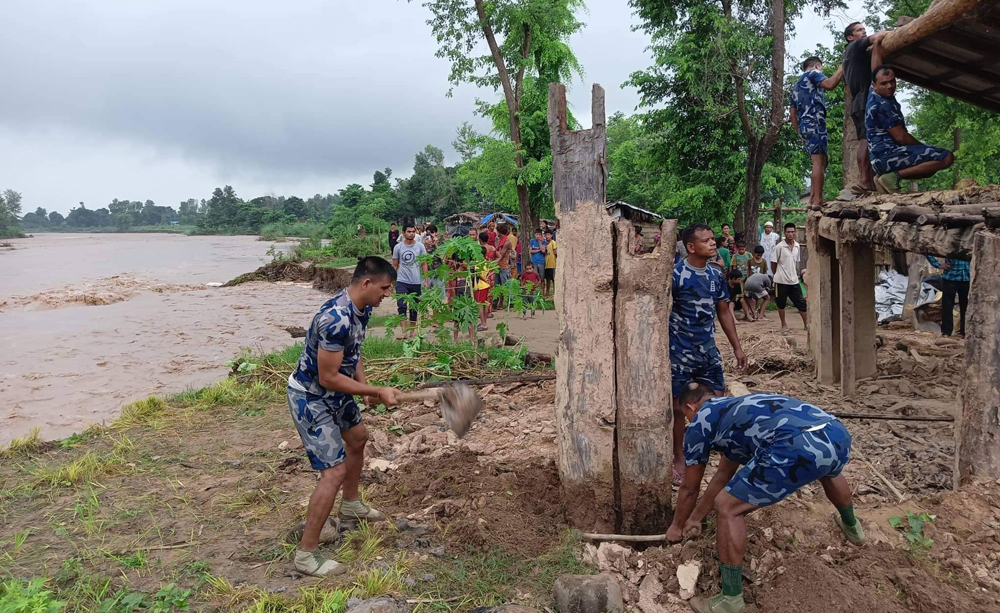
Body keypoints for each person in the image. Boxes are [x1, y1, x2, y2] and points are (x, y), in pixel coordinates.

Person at [667, 385, 864, 613]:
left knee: (727, 507)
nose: (688, 420)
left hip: (794, 445)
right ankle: (853, 529)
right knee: (826, 467)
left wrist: (677, 526)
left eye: (686, 415)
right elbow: (723, 476)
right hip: (835, 432)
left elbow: (690, 488)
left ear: (691, 407)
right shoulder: (735, 410)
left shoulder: (701, 421)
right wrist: (695, 518)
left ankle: (730, 601)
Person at [287, 257, 404, 577]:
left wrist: (365, 387)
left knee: (358, 438)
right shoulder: (334, 318)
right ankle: (307, 554)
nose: (387, 294)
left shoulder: (361, 309)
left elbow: (354, 351)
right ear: (366, 283)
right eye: (384, 288)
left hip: (336, 393)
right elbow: (327, 377)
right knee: (333, 471)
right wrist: (378, 390)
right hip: (311, 398)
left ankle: (351, 503)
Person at [670, 223, 747, 485]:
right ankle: (679, 457)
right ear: (691, 247)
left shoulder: (715, 276)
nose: (713, 244)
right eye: (706, 241)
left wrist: (736, 347)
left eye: (714, 239)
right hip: (679, 353)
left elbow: (724, 311)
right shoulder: (675, 275)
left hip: (708, 352)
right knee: (679, 408)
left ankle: (712, 454)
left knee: (718, 402)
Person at [866, 59, 954, 193]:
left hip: (877, 160)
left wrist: (877, 44)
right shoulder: (884, 105)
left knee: (929, 168)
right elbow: (901, 137)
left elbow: (876, 66)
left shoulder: (873, 95)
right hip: (888, 157)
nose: (889, 86)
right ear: (874, 85)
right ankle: (893, 176)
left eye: (892, 81)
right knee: (946, 157)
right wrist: (923, 148)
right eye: (884, 83)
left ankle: (882, 178)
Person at [790, 56, 844, 209]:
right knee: (819, 162)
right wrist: (842, 68)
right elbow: (830, 84)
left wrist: (800, 132)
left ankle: (812, 199)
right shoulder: (814, 73)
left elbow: (792, 115)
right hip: (816, 122)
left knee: (821, 162)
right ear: (817, 65)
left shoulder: (796, 85)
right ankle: (818, 200)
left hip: (804, 126)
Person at [843, 21, 889, 194]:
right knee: (866, 138)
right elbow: (878, 37)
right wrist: (889, 32)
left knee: (868, 137)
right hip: (863, 100)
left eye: (864, 29)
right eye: (859, 30)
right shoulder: (855, 46)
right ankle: (863, 180)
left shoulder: (850, 55)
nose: (863, 31)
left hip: (858, 101)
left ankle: (869, 180)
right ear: (850, 37)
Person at [391, 224, 428, 339]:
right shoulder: (398, 247)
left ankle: (412, 331)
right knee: (401, 305)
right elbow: (395, 265)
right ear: (403, 233)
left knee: (413, 307)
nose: (411, 233)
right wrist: (391, 282)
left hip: (416, 281)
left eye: (413, 231)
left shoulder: (420, 246)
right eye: (409, 231)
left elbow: (424, 263)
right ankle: (404, 331)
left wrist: (426, 280)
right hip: (402, 280)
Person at [772, 222, 807, 333]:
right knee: (781, 303)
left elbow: (796, 262)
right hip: (781, 280)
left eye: (792, 232)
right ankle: (783, 324)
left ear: (795, 232)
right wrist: (777, 274)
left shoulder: (797, 246)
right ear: (785, 233)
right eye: (788, 232)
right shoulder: (779, 247)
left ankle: (807, 324)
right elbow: (773, 263)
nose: (790, 234)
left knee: (801, 302)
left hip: (793, 280)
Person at [926, 255, 970, 337]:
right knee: (947, 306)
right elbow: (926, 249)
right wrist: (937, 264)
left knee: (966, 306)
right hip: (950, 277)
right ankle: (946, 332)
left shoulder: (970, 243)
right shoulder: (951, 242)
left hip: (966, 278)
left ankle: (965, 331)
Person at [544, 229, 557, 297]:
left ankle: (555, 293)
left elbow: (555, 252)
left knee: (553, 279)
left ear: (551, 235)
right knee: (547, 279)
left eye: (548, 235)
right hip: (546, 264)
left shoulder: (553, 243)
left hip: (552, 264)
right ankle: (547, 293)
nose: (547, 236)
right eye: (546, 235)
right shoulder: (544, 243)